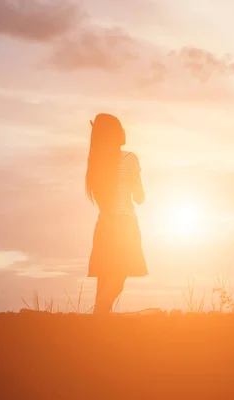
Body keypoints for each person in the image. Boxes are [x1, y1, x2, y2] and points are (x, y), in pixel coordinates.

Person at [85, 113, 148, 314]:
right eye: (120, 128)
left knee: (104, 278)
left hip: (104, 225)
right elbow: (139, 197)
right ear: (114, 133)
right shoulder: (129, 158)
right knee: (118, 277)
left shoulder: (95, 163)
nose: (124, 131)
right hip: (124, 224)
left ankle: (98, 330)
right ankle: (98, 320)